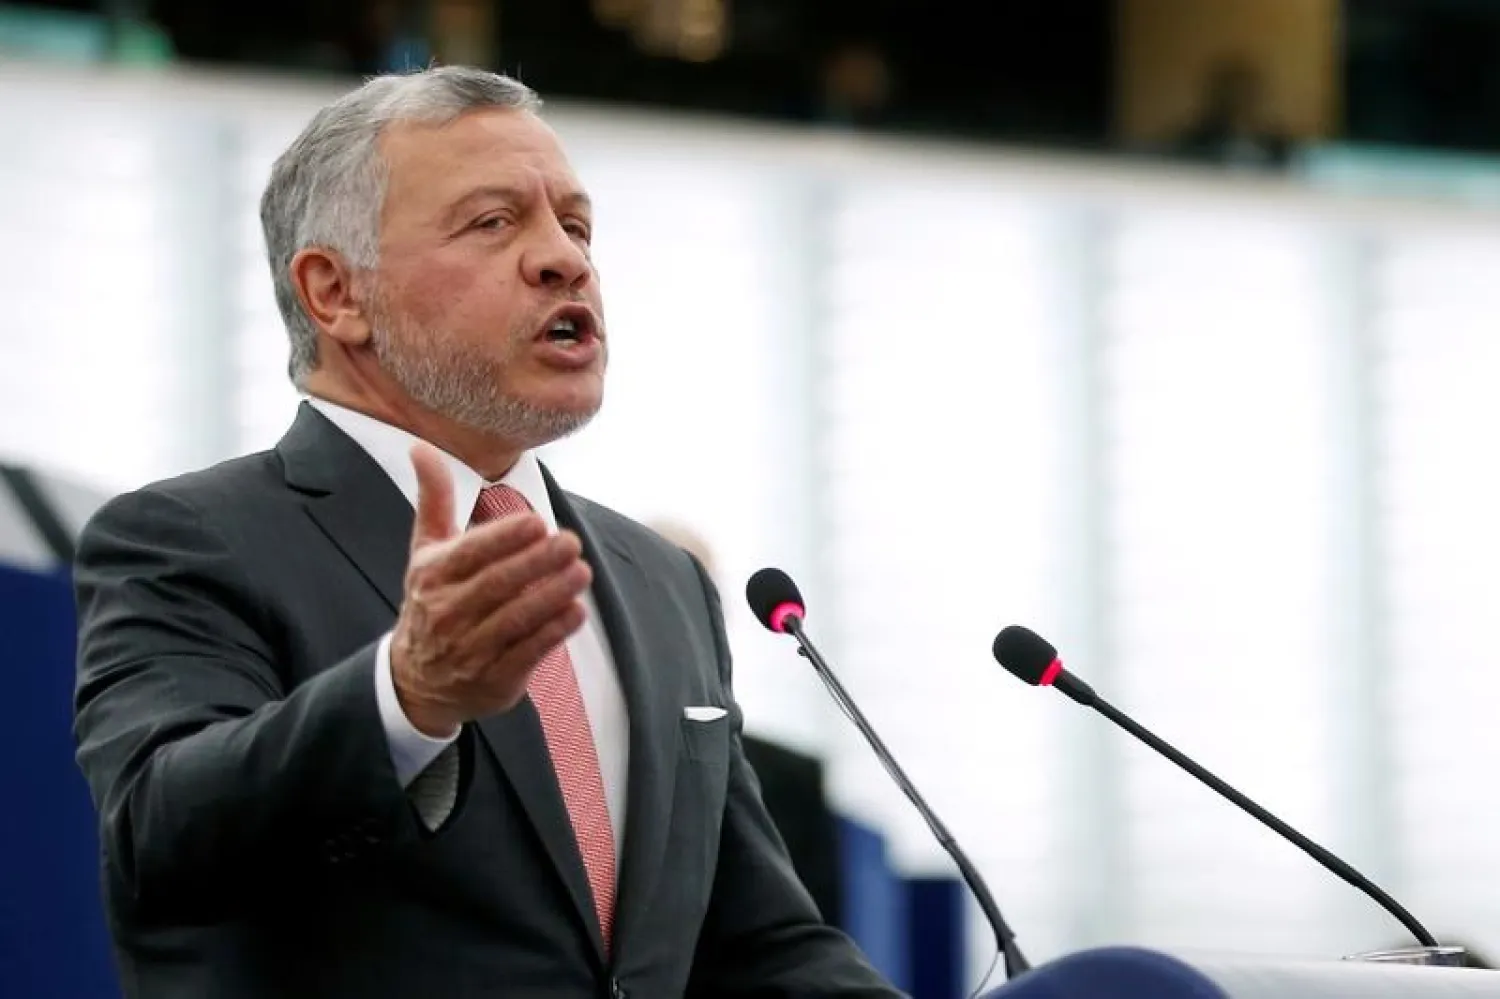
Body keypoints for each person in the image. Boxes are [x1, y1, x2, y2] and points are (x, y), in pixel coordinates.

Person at [71, 66, 902, 999]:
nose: (566, 260)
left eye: (576, 224)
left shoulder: (661, 581)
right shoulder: (188, 540)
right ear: (335, 292)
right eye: (493, 222)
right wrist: (405, 696)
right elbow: (159, 838)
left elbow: (759, 945)